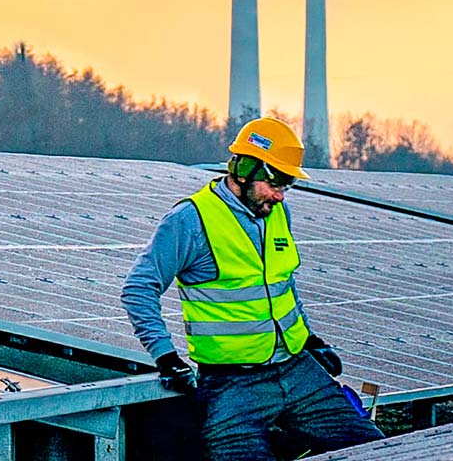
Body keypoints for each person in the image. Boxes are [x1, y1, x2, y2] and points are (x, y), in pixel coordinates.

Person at [121, 117, 384, 460]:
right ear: (243, 169)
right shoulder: (190, 220)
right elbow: (138, 288)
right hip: (233, 385)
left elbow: (283, 285)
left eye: (287, 185)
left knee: (376, 449)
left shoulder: (277, 213)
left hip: (297, 369)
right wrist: (166, 357)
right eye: (274, 183)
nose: (279, 194)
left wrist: (309, 339)